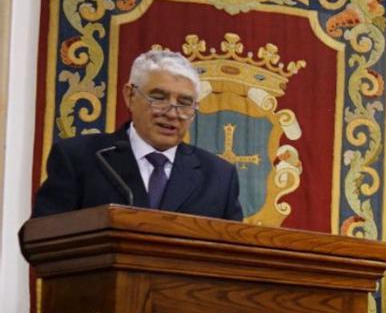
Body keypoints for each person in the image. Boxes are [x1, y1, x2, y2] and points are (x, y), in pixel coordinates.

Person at [32, 50, 242, 220]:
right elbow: (42, 238)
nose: (172, 113)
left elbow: (235, 257)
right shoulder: (81, 158)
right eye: (159, 98)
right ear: (130, 96)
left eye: (184, 104)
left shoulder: (218, 176)